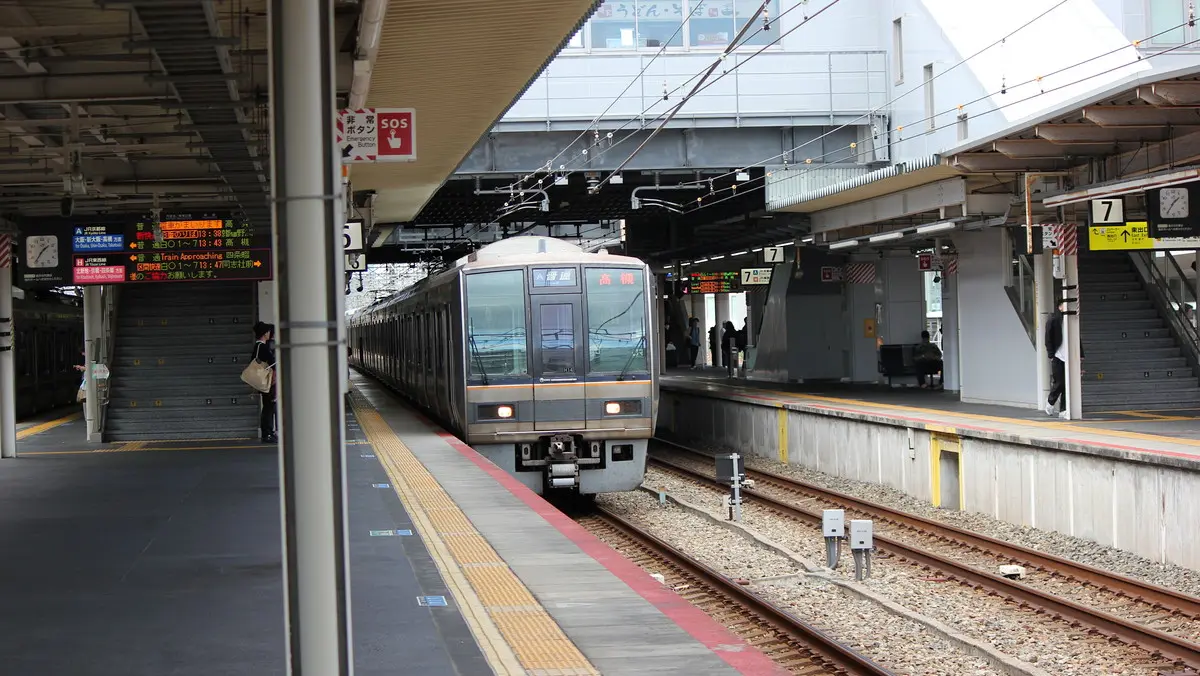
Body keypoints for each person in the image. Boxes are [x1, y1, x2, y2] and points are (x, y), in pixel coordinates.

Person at [252, 321, 278, 443]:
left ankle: (267, 432)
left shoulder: (256, 347)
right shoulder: (262, 347)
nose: (269, 333)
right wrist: (274, 379)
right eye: (267, 331)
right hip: (268, 381)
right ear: (264, 333)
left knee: (267, 406)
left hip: (262, 381)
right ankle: (267, 433)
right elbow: (273, 363)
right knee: (269, 406)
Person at [1044, 302, 1068, 418]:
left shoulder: (1071, 320)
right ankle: (1050, 401)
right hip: (1058, 356)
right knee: (1059, 382)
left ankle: (1064, 409)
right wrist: (1051, 354)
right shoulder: (1053, 321)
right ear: (1059, 307)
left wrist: (1080, 354)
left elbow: (1077, 338)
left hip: (1069, 357)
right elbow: (1048, 338)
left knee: (1068, 384)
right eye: (1064, 305)